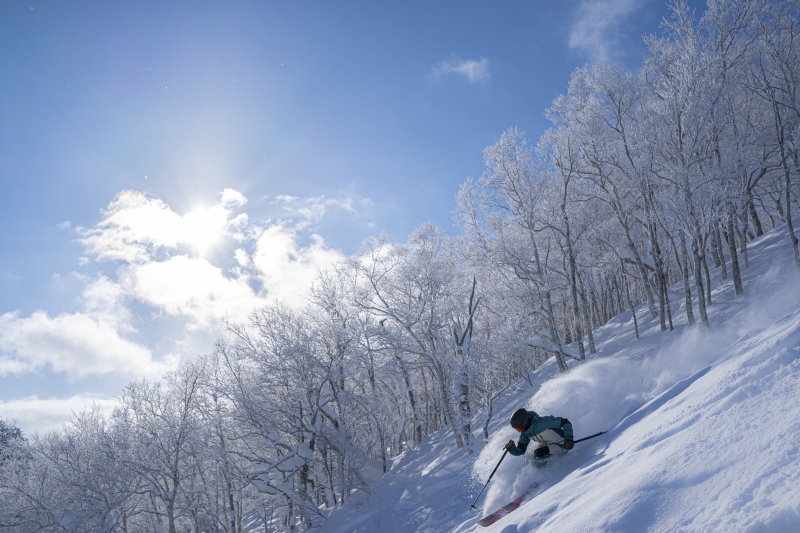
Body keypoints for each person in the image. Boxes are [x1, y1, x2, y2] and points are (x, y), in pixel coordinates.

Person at [504, 408, 574, 459]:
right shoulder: (525, 433)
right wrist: (512, 449)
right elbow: (521, 450)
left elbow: (565, 422)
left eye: (520, 428)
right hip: (548, 445)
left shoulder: (544, 422)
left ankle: (544, 473)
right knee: (530, 457)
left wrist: (569, 439)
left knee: (538, 453)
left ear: (525, 422)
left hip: (562, 444)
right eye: (517, 429)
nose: (520, 431)